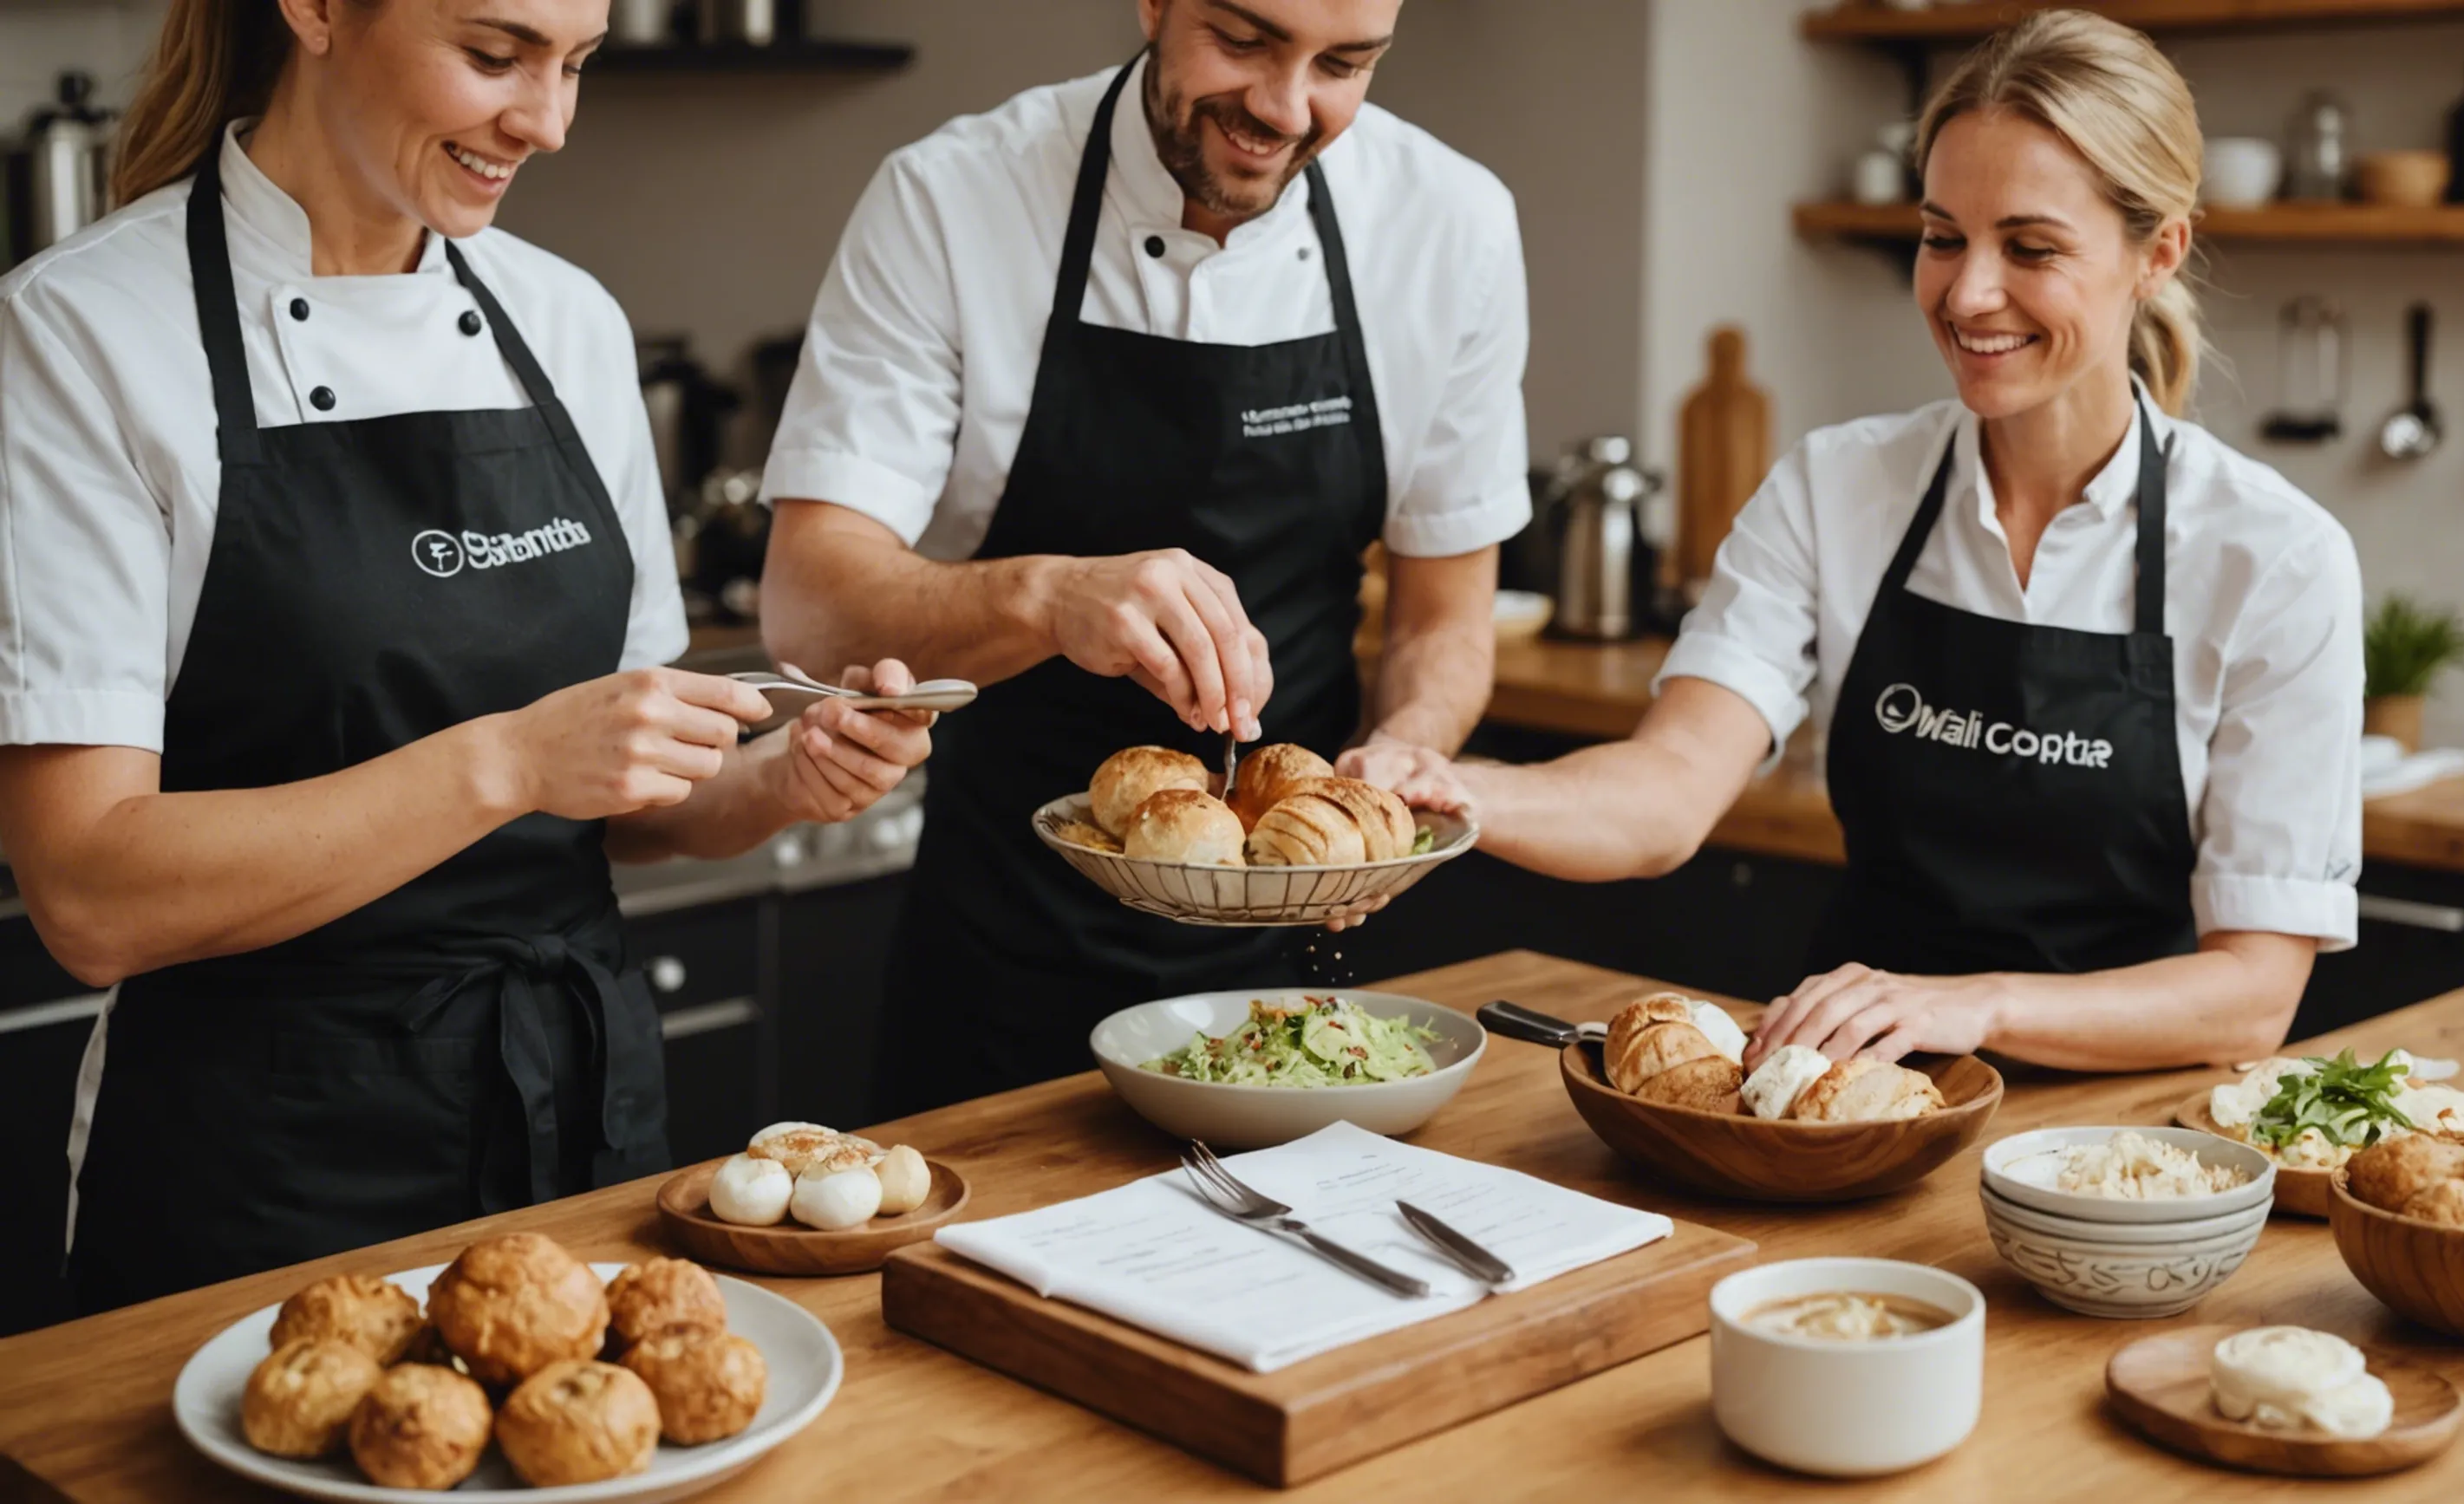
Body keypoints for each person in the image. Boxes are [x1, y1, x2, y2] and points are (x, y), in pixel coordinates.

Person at [0, 0, 931, 1311]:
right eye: (494, 56)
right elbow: (90, 896)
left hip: (583, 1142)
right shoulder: (84, 334)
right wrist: (510, 756)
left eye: (575, 65)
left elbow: (632, 804)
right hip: (262, 1179)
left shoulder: (570, 324)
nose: (547, 123)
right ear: (317, 12)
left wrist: (787, 777)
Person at [1359, 10, 2363, 1076]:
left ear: (2158, 251)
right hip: (1840, 1095)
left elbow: (2252, 995)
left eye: (2030, 247)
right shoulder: (1838, 488)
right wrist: (1458, 790)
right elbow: (1664, 793)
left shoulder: (2274, 559)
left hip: (2115, 1157)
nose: (1969, 293)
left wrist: (1970, 1008)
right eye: (1942, 237)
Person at [757, 0, 1529, 1112]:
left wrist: (1401, 759)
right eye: (1246, 40)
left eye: (1343, 65)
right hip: (1006, 952)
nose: (1283, 107)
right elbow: (807, 601)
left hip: (1296, 974)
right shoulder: (955, 198)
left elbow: (1443, 621)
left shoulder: (1447, 223)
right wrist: (1049, 593)